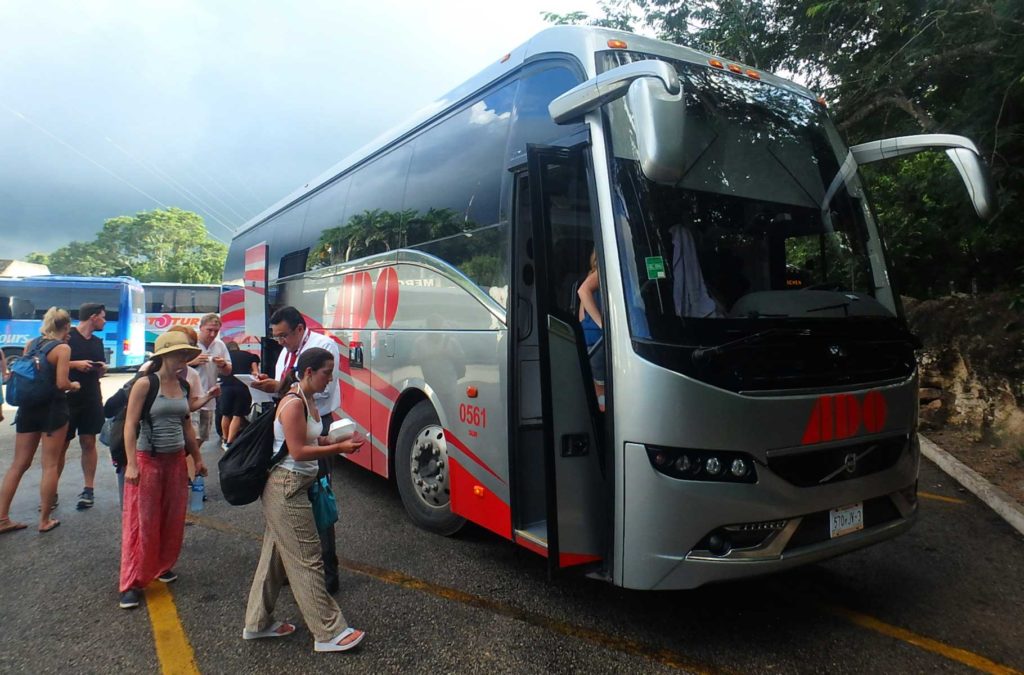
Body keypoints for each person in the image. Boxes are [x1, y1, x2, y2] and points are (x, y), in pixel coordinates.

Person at [243, 347, 366, 652]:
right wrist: (339, 450)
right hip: (287, 487)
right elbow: (297, 451)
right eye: (327, 372)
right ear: (309, 372)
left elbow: (310, 439)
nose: (331, 378)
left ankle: (257, 624)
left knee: (273, 558)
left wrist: (336, 440)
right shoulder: (293, 402)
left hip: (293, 485)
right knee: (308, 559)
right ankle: (328, 632)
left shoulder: (308, 398)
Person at [252, 306, 344, 593]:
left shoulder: (323, 348)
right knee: (290, 507)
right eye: (276, 337)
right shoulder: (285, 351)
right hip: (288, 420)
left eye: (284, 336)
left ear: (300, 329)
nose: (280, 342)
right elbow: (288, 386)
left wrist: (282, 387)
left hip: (315, 421)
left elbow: (323, 390)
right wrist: (274, 385)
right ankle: (294, 569)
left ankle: (327, 574)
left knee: (320, 498)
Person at [118, 331, 206, 609]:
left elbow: (187, 425)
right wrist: (132, 463)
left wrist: (198, 458)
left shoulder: (183, 385)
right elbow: (130, 425)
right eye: (180, 353)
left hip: (175, 461)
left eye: (186, 354)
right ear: (165, 355)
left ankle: (161, 565)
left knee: (172, 518)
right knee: (141, 522)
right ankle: (131, 582)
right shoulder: (145, 384)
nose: (184, 358)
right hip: (149, 460)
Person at [0, 307, 80, 534]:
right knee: (50, 464)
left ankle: (2, 517)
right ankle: (44, 520)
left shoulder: (31, 343)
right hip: (52, 410)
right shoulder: (63, 348)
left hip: (28, 408)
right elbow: (62, 383)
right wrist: (75, 385)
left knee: (18, 464)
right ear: (66, 327)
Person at [63, 303, 108, 511]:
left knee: (88, 442)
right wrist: (75, 364)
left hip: (91, 397)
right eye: (102, 317)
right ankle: (50, 491)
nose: (105, 321)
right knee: (60, 446)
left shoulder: (98, 342)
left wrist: (101, 369)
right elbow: (52, 362)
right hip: (67, 398)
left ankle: (88, 489)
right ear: (93, 317)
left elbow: (100, 370)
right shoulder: (68, 337)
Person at [188, 313, 230, 450]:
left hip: (209, 399)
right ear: (200, 327)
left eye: (216, 331)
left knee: (202, 437)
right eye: (209, 330)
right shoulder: (191, 344)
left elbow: (228, 371)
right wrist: (192, 362)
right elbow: (175, 366)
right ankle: (188, 467)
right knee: (191, 439)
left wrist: (223, 364)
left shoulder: (220, 345)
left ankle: (191, 465)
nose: (212, 334)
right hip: (190, 399)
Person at [577, 249, 606, 411]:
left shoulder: (591, 275)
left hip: (591, 342)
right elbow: (583, 291)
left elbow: (581, 316)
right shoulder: (601, 274)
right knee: (603, 395)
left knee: (599, 393)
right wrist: (603, 325)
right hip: (600, 341)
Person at [219, 341, 260, 445]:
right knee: (237, 416)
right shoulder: (247, 355)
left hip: (226, 387)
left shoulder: (224, 358)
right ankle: (230, 441)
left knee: (225, 414)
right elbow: (255, 366)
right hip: (242, 387)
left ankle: (224, 437)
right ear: (237, 347)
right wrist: (255, 372)